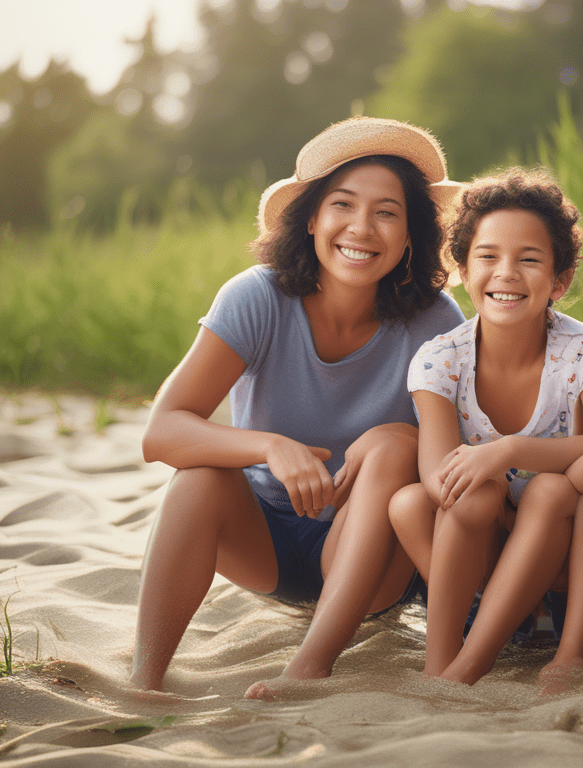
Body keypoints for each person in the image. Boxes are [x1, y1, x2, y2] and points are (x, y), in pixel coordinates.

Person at [130, 117, 466, 698]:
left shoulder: (435, 321)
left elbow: (457, 454)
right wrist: (267, 445)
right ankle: (145, 678)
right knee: (198, 477)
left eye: (387, 212)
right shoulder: (258, 297)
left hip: (376, 564)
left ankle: (310, 667)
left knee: (392, 445)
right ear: (311, 218)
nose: (362, 227)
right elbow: (160, 431)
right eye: (342, 205)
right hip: (269, 547)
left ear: (411, 233)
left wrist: (398, 446)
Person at [388, 168, 583, 686]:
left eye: (529, 259)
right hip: (480, 571)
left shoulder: (580, 350)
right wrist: (502, 503)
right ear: (460, 268)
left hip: (564, 579)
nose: (506, 273)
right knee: (414, 502)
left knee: (550, 493)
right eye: (487, 257)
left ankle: (474, 664)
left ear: (560, 279)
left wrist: (508, 453)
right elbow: (439, 480)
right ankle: (443, 659)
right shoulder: (440, 361)